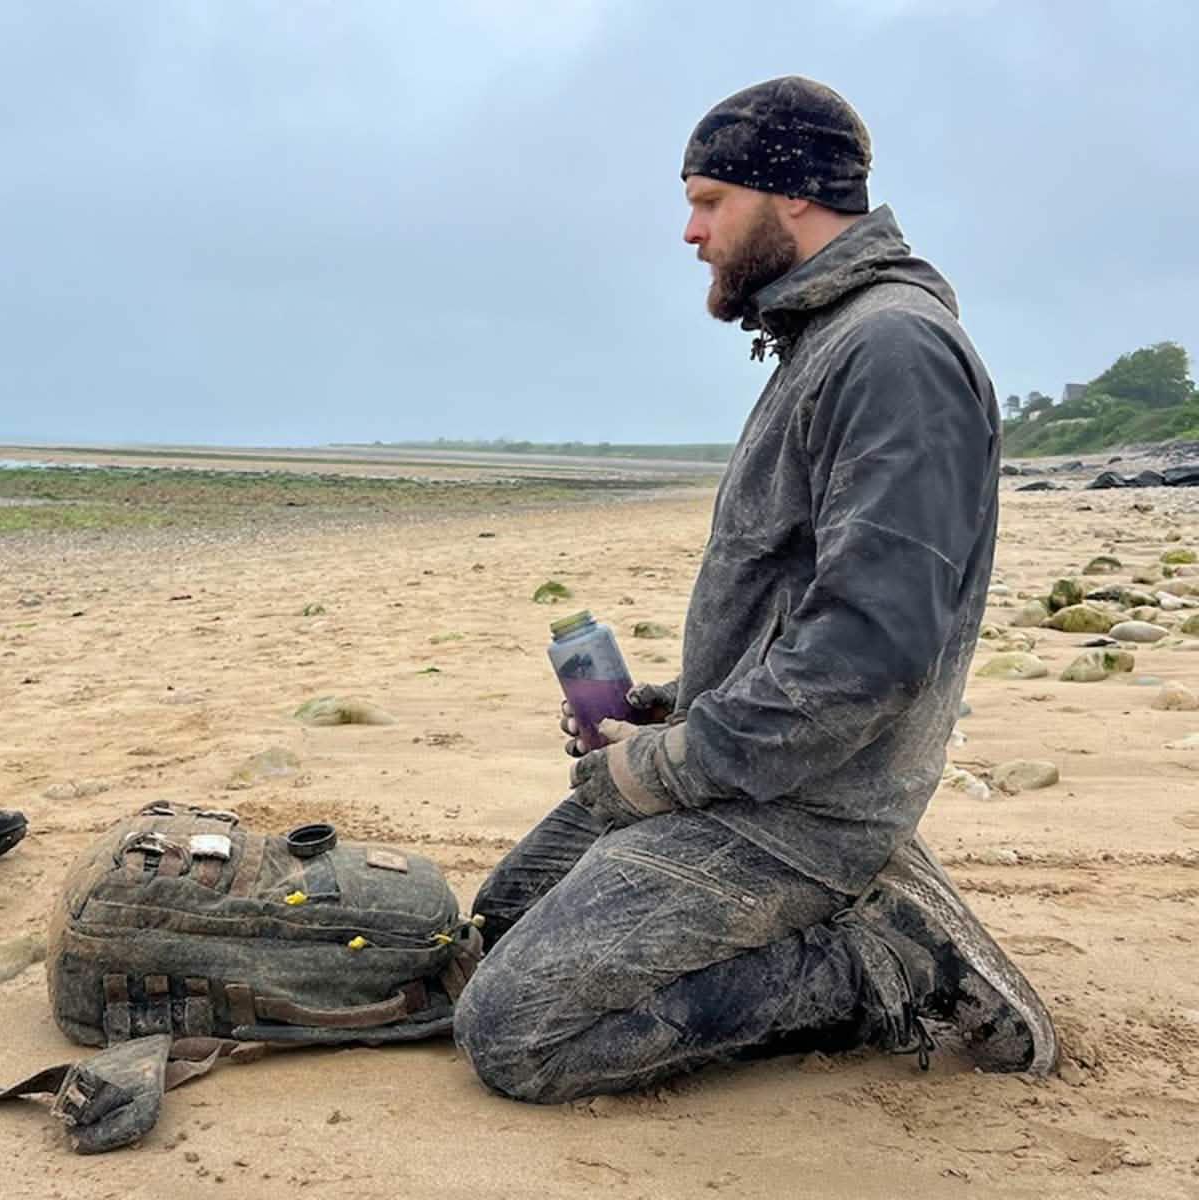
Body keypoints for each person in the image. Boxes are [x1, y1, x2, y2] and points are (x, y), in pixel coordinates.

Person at [453, 76, 1057, 1102]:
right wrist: (679, 708)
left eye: (708, 200)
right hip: (751, 765)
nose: (689, 231)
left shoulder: (892, 350)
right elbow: (806, 602)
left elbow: (871, 647)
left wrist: (675, 765)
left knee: (515, 1033)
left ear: (794, 196)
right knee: (500, 922)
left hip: (801, 806)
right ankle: (843, 913)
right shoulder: (824, 342)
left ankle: (886, 963)